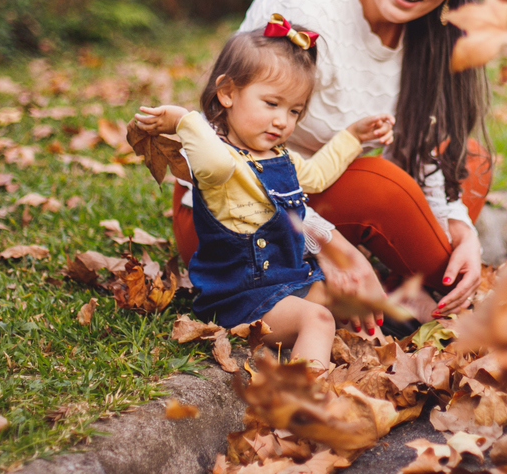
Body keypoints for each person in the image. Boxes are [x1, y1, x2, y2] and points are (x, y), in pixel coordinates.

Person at [172, 0, 495, 328]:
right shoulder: (308, 10)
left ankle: (419, 285)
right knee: (382, 185)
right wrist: (331, 245)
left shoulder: (430, 35)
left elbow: (426, 147)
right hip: (234, 221)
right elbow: (228, 155)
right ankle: (437, 290)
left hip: (318, 193)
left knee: (471, 159)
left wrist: (464, 231)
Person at [135, 18, 395, 369]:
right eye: (272, 104)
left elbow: (316, 176)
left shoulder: (279, 157)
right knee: (317, 320)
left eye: (294, 111)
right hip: (241, 298)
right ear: (227, 93)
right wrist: (185, 121)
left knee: (349, 299)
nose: (282, 121)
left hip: (287, 281)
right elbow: (214, 162)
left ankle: (376, 369)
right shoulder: (219, 161)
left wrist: (352, 136)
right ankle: (303, 407)